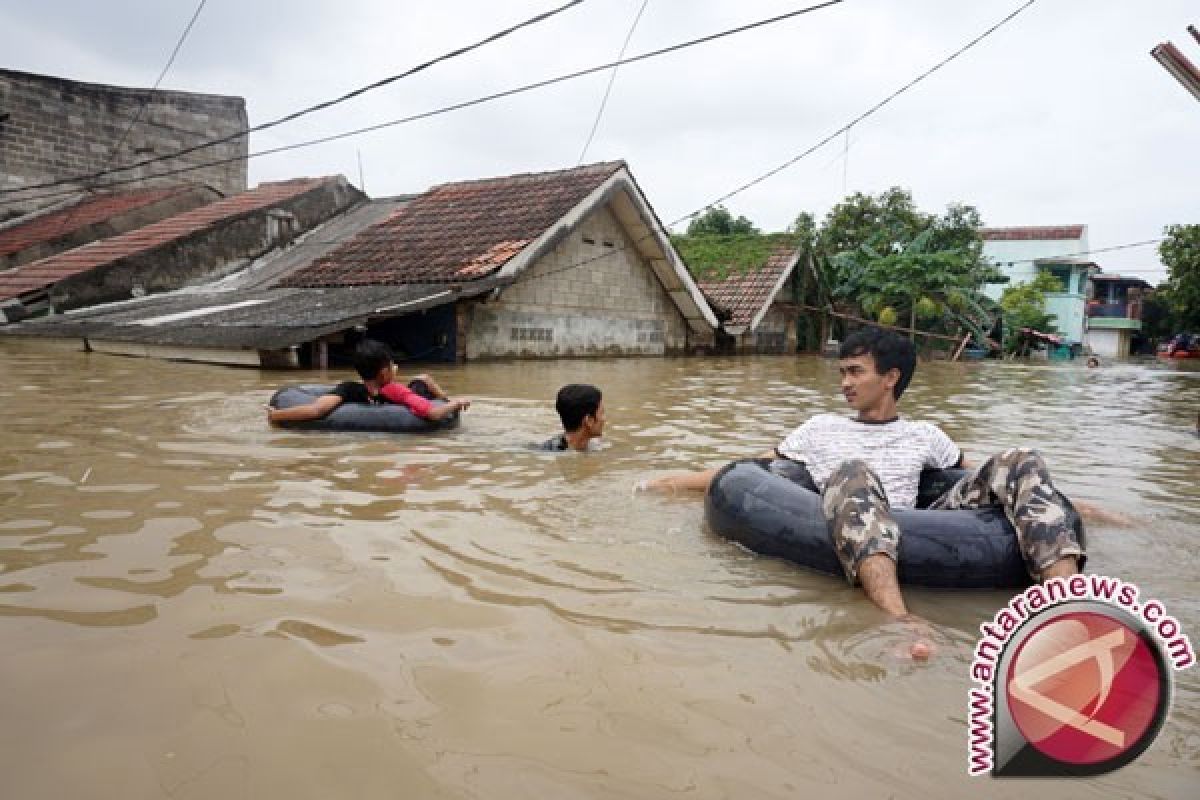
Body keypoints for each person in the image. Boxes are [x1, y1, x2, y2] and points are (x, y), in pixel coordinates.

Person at [644, 328, 1092, 659]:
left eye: (855, 372)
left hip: (919, 522)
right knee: (854, 470)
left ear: (891, 377)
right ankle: (899, 622)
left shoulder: (925, 435)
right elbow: (749, 468)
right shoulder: (819, 429)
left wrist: (1082, 510)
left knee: (1022, 455)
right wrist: (667, 483)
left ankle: (1066, 612)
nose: (844, 383)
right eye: (842, 372)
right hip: (853, 511)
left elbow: (998, 478)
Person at [266, 339, 470, 425]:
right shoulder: (396, 391)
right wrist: (454, 403)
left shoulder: (349, 389)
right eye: (392, 366)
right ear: (384, 373)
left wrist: (276, 415)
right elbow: (433, 414)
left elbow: (316, 410)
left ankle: (441, 396)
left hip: (392, 394)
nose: (395, 368)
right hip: (401, 397)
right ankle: (444, 397)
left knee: (422, 380)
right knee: (423, 379)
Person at [536, 384, 605, 451]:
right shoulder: (555, 453)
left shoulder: (591, 445)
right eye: (602, 413)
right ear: (589, 421)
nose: (604, 419)